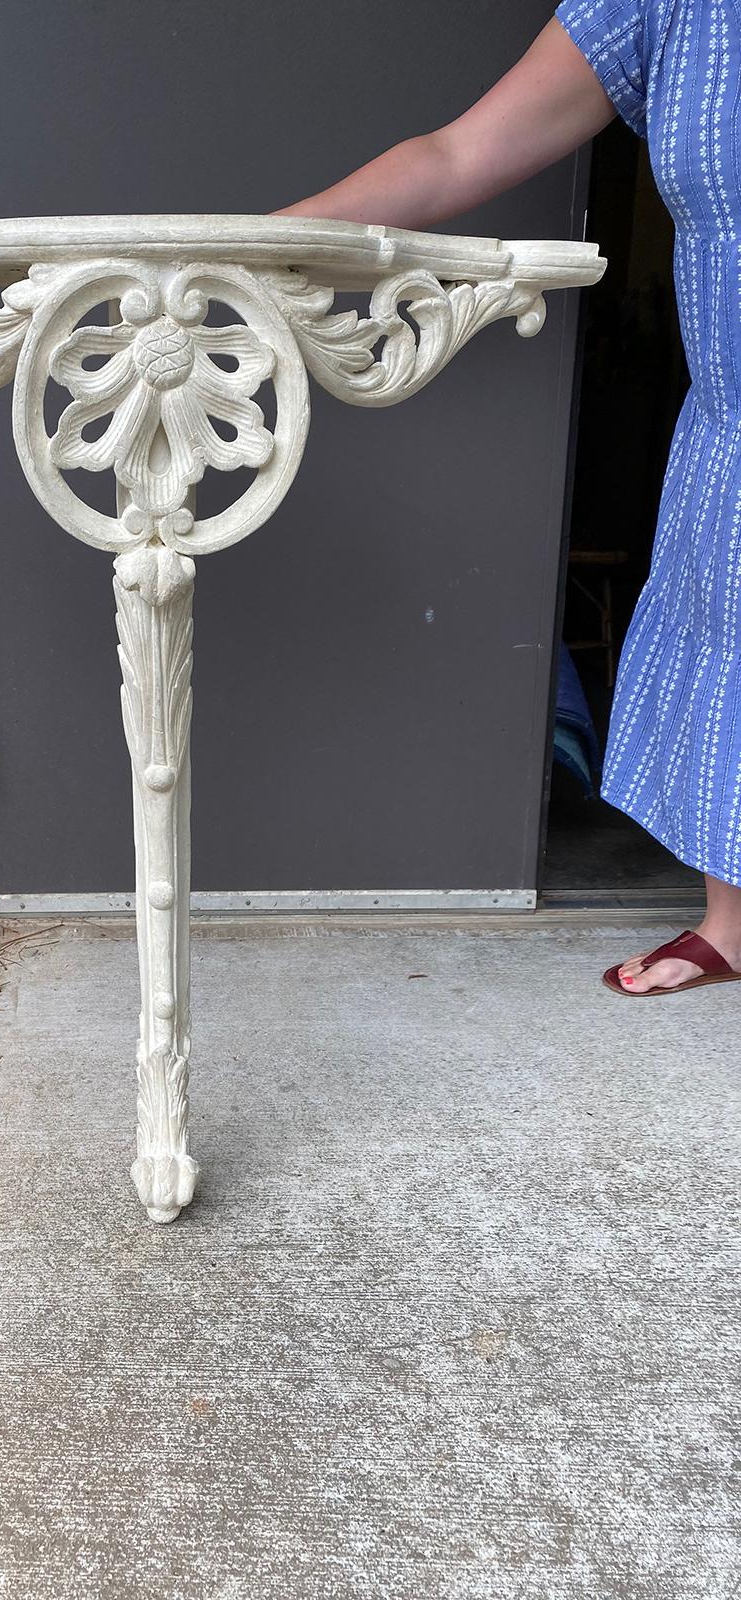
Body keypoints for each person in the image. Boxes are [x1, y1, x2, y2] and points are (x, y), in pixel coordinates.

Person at [276, 0, 741, 997]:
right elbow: (455, 156)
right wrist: (249, 244)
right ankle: (736, 921)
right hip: (733, 430)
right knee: (727, 648)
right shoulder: (667, 8)